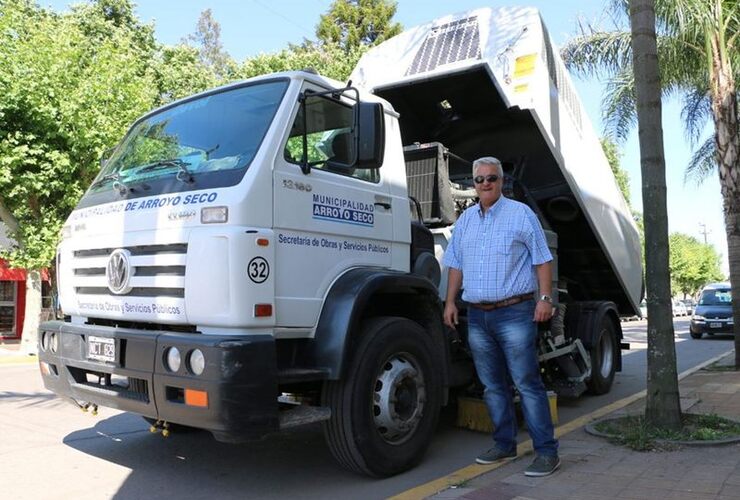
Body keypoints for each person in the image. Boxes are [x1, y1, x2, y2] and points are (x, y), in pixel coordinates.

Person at [442, 156, 560, 477]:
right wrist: (450, 302)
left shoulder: (521, 215)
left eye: (491, 178)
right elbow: (455, 264)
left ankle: (547, 452)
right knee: (493, 386)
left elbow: (542, 259)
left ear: (501, 180)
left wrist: (545, 298)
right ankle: (504, 444)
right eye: (478, 180)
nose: (484, 184)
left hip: (515, 312)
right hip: (478, 316)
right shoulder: (465, 221)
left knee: (526, 382)